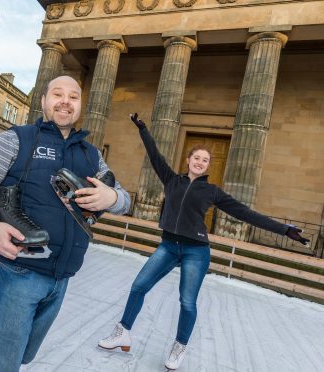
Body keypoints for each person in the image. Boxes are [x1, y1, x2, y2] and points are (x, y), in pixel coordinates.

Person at [98, 113, 310, 370]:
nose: (200, 162)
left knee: (187, 301)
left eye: (205, 160)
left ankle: (179, 346)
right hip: (168, 246)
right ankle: (123, 332)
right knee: (139, 286)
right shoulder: (171, 180)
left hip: (195, 252)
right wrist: (143, 128)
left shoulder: (212, 191)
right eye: (196, 157)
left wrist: (284, 229)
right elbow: (154, 154)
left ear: (208, 166)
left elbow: (245, 213)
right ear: (188, 160)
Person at [0, 76, 131, 371]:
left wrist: (111, 196)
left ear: (79, 105)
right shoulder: (18, 139)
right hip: (15, 272)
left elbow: (125, 201)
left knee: (21, 356)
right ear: (44, 101)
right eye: (57, 94)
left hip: (60, 279)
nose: (65, 101)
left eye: (73, 97)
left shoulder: (91, 155)